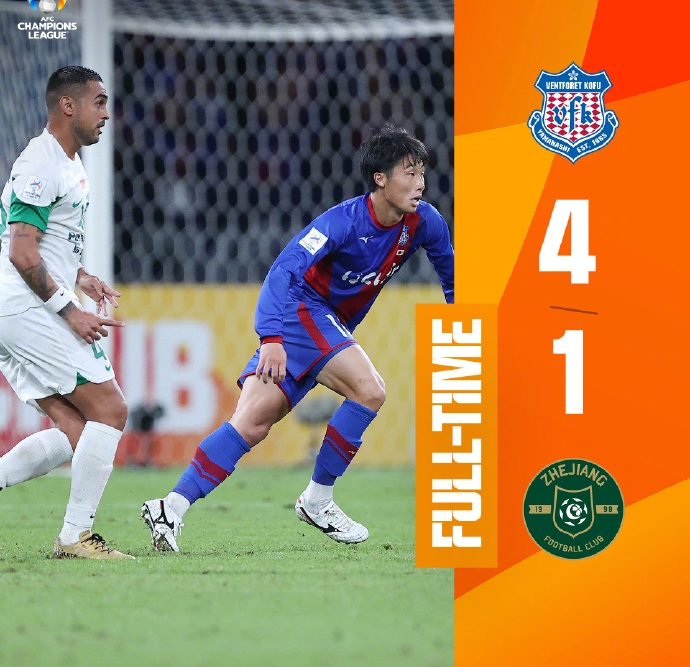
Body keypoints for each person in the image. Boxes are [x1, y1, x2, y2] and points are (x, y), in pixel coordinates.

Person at [142, 124, 454, 551]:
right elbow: (283, 270)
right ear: (380, 178)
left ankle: (170, 507)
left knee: (251, 423)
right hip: (302, 312)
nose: (420, 184)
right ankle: (317, 499)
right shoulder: (342, 221)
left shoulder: (425, 223)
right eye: (409, 173)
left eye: (422, 174)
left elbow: (451, 275)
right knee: (370, 391)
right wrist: (271, 338)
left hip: (321, 326)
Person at [0, 66, 133, 560]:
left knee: (77, 428)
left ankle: (75, 534)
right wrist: (70, 312)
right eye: (99, 102)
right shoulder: (41, 164)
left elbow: (39, 241)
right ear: (68, 105)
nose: (106, 113)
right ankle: (75, 536)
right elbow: (21, 252)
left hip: (17, 305)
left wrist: (80, 276)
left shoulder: (66, 162)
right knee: (110, 410)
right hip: (25, 306)